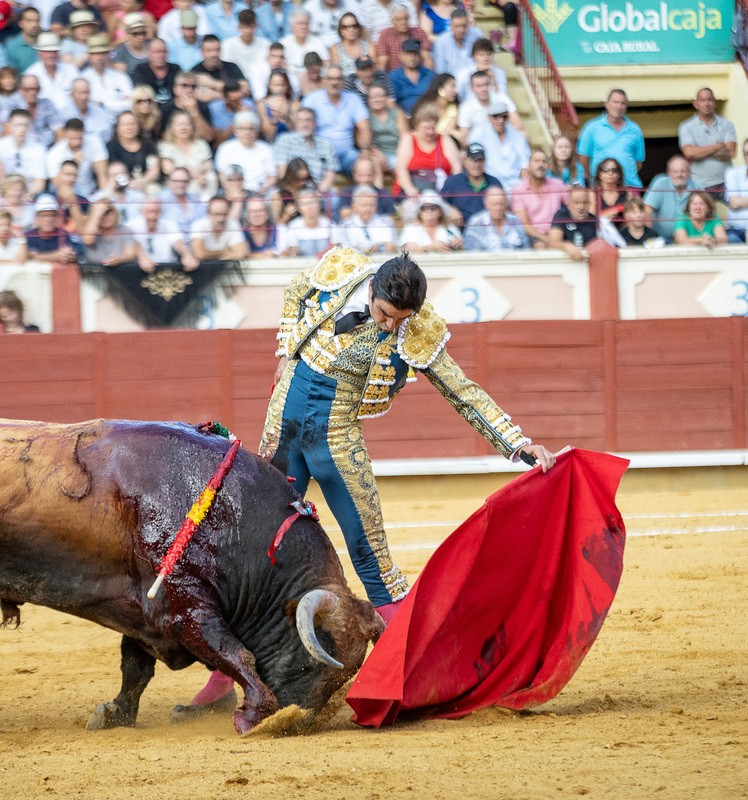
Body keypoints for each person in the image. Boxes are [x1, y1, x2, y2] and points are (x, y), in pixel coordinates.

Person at [176, 247, 555, 717]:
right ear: (371, 289)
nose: (390, 326)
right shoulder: (340, 271)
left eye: (400, 319)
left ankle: (406, 679)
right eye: (384, 314)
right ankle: (228, 677)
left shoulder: (415, 329)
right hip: (282, 435)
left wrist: (518, 444)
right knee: (254, 558)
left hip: (336, 442)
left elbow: (460, 389)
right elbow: (297, 290)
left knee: (370, 556)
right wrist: (286, 349)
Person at [577, 88, 645, 189]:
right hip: (601, 187)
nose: (619, 106)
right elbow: (583, 158)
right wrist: (593, 178)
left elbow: (638, 162)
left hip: (629, 186)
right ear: (606, 104)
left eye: (623, 103)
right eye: (615, 102)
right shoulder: (591, 127)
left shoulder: (635, 129)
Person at [678, 88, 736, 195]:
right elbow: (689, 153)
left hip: (726, 182)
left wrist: (699, 153)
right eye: (702, 100)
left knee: (737, 209)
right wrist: (717, 146)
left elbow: (731, 152)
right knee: (702, 211)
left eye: (710, 100)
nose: (706, 104)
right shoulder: (686, 127)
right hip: (699, 184)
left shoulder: (727, 125)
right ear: (696, 104)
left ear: (715, 103)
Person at [467, 101, 530, 194]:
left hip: (514, 184)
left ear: (508, 117)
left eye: (504, 117)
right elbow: (471, 159)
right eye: (496, 116)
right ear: (489, 117)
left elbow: (525, 165)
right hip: (488, 183)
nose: (500, 120)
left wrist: (525, 188)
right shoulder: (478, 133)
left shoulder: (517, 136)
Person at [511, 149, 567, 248]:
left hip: (558, 232)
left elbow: (571, 206)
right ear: (528, 165)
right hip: (534, 235)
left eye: (544, 161)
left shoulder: (558, 185)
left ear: (548, 166)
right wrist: (548, 241)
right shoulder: (519, 190)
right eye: (536, 161)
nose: (541, 165)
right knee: (540, 246)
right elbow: (525, 225)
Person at [213, 110, 276, 194]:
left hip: (260, 192)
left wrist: (265, 187)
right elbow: (221, 175)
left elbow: (272, 176)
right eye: (242, 128)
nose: (246, 132)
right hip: (234, 191)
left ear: (256, 131)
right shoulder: (225, 148)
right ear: (235, 131)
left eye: (250, 128)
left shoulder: (266, 149)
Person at [642, 154, 702, 241]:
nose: (679, 175)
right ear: (668, 173)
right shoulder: (661, 182)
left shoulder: (697, 188)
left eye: (683, 171)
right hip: (660, 237)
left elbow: (708, 213)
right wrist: (649, 236)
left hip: (689, 238)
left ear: (689, 173)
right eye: (675, 172)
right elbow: (647, 209)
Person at [440, 142, 500, 228]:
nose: (476, 165)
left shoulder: (494, 182)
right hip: (461, 229)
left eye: (480, 161)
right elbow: (440, 203)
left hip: (488, 229)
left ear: (485, 161)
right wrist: (450, 209)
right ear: (465, 161)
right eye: (473, 160)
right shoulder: (453, 182)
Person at [463, 186, 530, 252]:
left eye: (501, 204)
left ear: (506, 204)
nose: (498, 208)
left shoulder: (515, 220)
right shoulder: (475, 222)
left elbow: (526, 249)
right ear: (486, 204)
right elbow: (471, 252)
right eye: (494, 204)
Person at [26, 193, 84, 264]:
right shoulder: (29, 235)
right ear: (36, 218)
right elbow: (31, 257)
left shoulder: (63, 234)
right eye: (44, 216)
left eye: (52, 215)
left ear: (57, 217)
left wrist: (71, 255)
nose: (48, 219)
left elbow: (71, 252)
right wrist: (56, 256)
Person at [397, 189, 462, 251]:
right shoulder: (411, 228)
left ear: (440, 211)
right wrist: (430, 248)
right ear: (419, 212)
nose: (428, 211)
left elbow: (461, 249)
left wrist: (459, 245)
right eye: (424, 208)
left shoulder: (450, 228)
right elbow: (410, 249)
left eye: (433, 207)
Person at [339, 186, 396, 253]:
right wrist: (372, 248)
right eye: (364, 205)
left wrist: (367, 248)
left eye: (371, 205)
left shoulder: (386, 222)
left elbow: (391, 247)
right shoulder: (345, 225)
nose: (368, 209)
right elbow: (348, 251)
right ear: (354, 206)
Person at [549, 186, 599, 262]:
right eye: (576, 203)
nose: (581, 207)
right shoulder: (560, 216)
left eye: (584, 203)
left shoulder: (595, 221)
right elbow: (553, 243)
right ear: (568, 204)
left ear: (589, 204)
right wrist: (567, 246)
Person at [375, 6, 431, 73]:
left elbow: (427, 58)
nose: (403, 22)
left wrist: (430, 77)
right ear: (392, 21)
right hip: (393, 76)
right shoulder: (385, 35)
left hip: (417, 74)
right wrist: (382, 81)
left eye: (405, 19)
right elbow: (382, 62)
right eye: (399, 19)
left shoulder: (419, 33)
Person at [191, 195, 248, 260]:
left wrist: (211, 256)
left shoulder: (233, 224)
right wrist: (223, 253)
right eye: (217, 214)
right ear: (208, 214)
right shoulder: (199, 225)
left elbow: (240, 253)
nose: (221, 219)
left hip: (226, 267)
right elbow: (199, 254)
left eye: (224, 214)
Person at [431, 6, 484, 75]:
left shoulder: (477, 34)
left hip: (476, 79)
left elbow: (486, 58)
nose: (461, 30)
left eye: (464, 26)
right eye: (457, 26)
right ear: (451, 25)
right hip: (452, 81)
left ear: (468, 24)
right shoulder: (441, 42)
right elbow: (440, 71)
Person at [387, 37, 433, 114]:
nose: (412, 58)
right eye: (409, 54)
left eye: (415, 54)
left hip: (428, 116)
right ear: (401, 56)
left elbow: (435, 98)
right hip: (404, 117)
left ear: (420, 56)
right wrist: (403, 117)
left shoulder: (429, 74)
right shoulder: (393, 76)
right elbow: (392, 103)